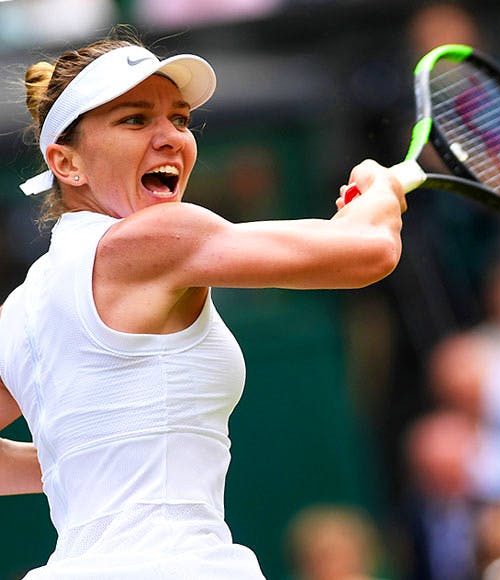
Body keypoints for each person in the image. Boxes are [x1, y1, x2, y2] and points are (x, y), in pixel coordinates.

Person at [0, 35, 406, 578]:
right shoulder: (161, 236)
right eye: (135, 120)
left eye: (180, 119)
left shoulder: (21, 309)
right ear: (66, 163)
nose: (170, 137)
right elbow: (369, 250)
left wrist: (83, 461)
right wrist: (380, 187)